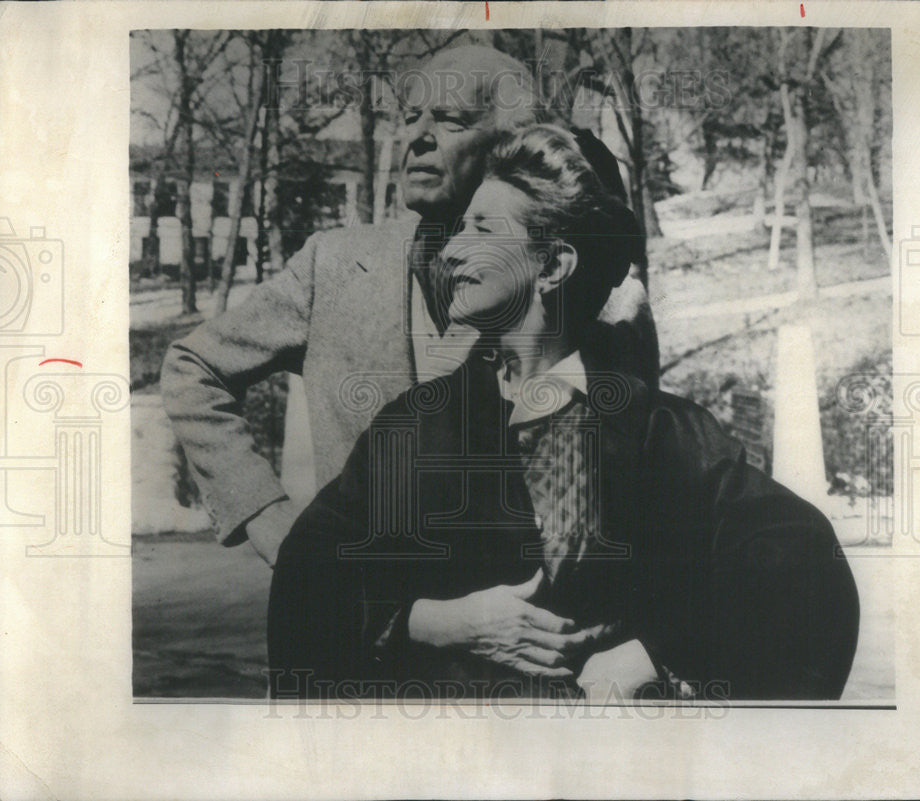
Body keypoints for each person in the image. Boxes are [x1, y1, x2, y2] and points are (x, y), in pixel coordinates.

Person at [268, 125, 861, 702]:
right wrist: (438, 621)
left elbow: (803, 564)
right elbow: (306, 584)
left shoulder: (660, 433)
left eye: (480, 228)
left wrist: (652, 653)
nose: (450, 250)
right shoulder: (413, 429)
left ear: (552, 267)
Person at [160, 45, 658, 566]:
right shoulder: (331, 265)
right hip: (355, 622)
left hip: (522, 629)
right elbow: (193, 367)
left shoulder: (580, 287)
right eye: (410, 117)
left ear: (510, 145)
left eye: (450, 119)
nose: (417, 137)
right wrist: (265, 516)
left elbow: (631, 481)